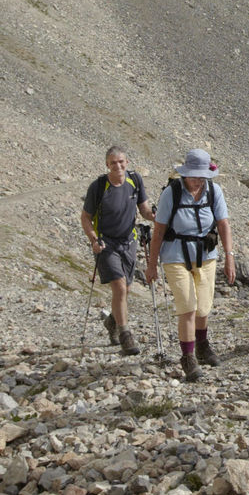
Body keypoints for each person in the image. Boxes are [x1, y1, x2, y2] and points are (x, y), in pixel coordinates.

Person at [145, 148, 234, 383]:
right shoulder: (171, 194)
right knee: (188, 306)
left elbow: (223, 224)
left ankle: (202, 345)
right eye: (193, 176)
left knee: (204, 306)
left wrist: (230, 256)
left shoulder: (214, 192)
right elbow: (159, 230)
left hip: (206, 254)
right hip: (175, 254)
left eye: (200, 176)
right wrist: (152, 265)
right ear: (185, 173)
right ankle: (188, 357)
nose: (196, 181)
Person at [81, 145, 152, 355]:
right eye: (113, 163)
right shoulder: (99, 186)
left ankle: (111, 322)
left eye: (121, 162)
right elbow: (85, 217)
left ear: (127, 162)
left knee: (126, 289)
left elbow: (144, 209)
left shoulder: (135, 180)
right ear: (107, 165)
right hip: (105, 243)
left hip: (129, 241)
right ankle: (125, 335)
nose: (118, 166)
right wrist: (93, 239)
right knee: (120, 287)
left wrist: (157, 216)